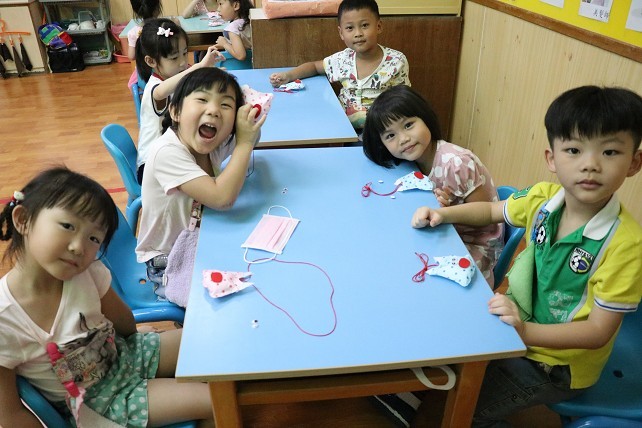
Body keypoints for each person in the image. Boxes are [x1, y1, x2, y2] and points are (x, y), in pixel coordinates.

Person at [412, 86, 642, 426]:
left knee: (451, 412)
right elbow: (491, 210)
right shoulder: (543, 199)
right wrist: (443, 214)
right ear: (551, 158)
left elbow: (598, 331)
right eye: (574, 150)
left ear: (634, 163)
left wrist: (524, 331)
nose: (590, 165)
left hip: (556, 366)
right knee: (442, 361)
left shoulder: (626, 244)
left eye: (609, 152)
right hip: (515, 328)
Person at [0, 167, 215, 427]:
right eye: (67, 226)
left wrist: (134, 338)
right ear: (23, 219)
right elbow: (10, 416)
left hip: (125, 355)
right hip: (103, 404)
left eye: (93, 238)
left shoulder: (86, 271)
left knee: (214, 342)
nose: (79, 247)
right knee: (215, 401)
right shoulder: (4, 319)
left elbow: (124, 323)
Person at [135, 67, 264, 302]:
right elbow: (222, 198)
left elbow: (253, 136)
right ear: (175, 111)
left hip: (202, 237)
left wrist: (250, 118)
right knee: (229, 300)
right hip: (169, 259)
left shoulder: (211, 143)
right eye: (202, 100)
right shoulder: (167, 151)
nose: (214, 110)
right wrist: (244, 143)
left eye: (226, 105)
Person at [364, 85, 503, 285]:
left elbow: (485, 218)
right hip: (444, 231)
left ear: (425, 118)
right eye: (390, 135)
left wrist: (447, 211)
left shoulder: (457, 163)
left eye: (408, 125)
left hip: (475, 245)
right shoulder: (413, 161)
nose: (404, 139)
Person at [268, 0, 410, 131]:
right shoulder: (342, 59)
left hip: (382, 131)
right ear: (341, 33)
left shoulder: (396, 61)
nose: (358, 33)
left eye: (365, 25)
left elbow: (403, 101)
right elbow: (314, 67)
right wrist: (288, 75)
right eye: (350, 28)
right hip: (343, 128)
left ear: (378, 26)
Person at [135, 18, 224, 183]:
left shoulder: (174, 76)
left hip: (172, 152)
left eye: (184, 53)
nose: (183, 62)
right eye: (174, 57)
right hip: (151, 165)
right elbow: (162, 92)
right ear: (151, 61)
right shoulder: (154, 87)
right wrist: (200, 66)